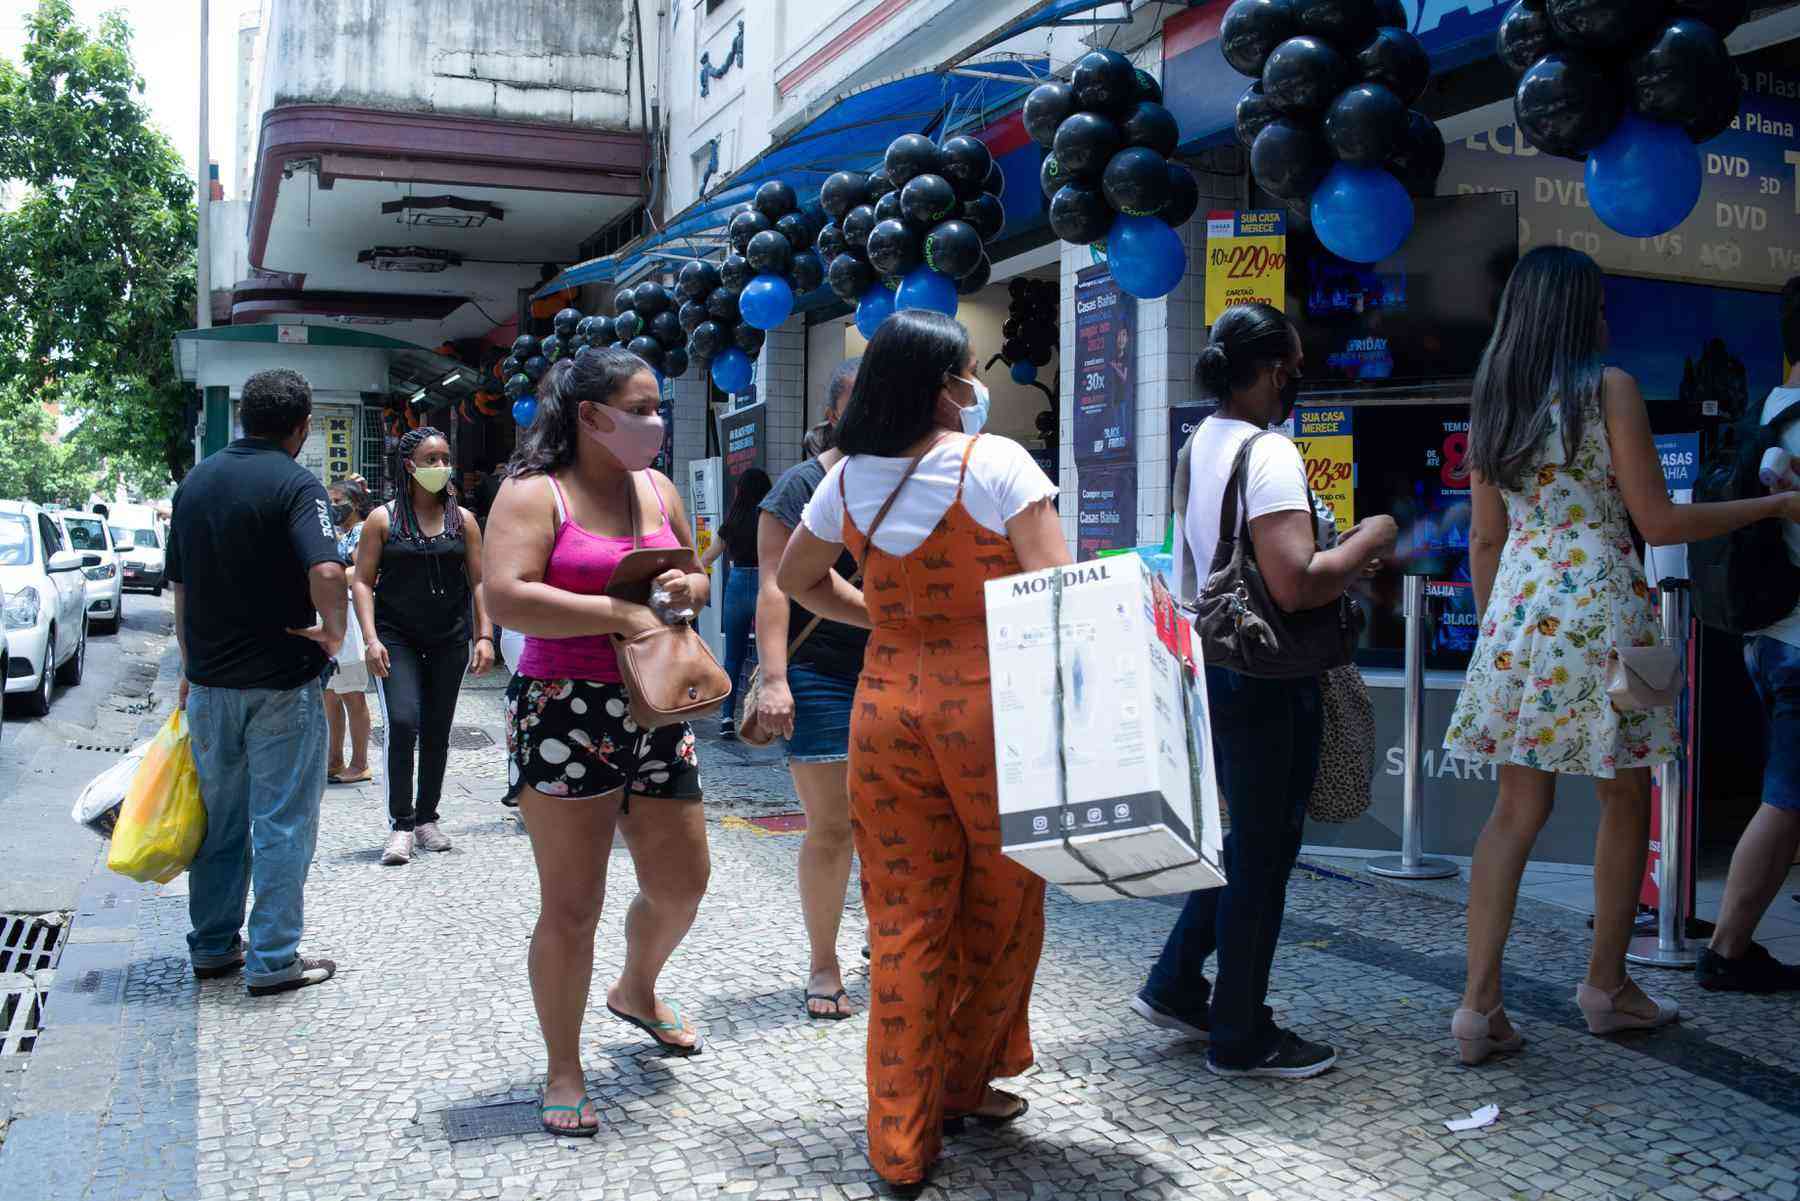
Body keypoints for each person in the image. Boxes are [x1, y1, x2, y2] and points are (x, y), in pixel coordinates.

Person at [1444, 247, 1800, 1061]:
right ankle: (1607, 988)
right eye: (1598, 303)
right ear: (1577, 313)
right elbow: (1659, 522)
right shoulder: (1610, 390)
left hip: (1519, 617)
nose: (1607, 316)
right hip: (1605, 608)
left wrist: (1499, 635)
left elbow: (1485, 538)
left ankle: (1477, 1007)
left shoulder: (1495, 400)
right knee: (1625, 796)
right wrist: (1776, 502)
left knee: (1513, 811)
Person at [777, 311, 1066, 1191]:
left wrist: (888, 616)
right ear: (941, 385)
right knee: (1004, 902)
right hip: (990, 709)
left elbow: (796, 579)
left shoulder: (846, 479)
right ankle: (963, 1081)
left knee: (901, 919)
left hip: (885, 705)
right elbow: (1058, 590)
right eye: (968, 373)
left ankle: (899, 1142)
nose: (975, 388)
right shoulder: (1000, 463)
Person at [1133, 304, 1396, 1080]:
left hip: (1219, 663)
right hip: (1269, 677)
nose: (1299, 381)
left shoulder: (1199, 443)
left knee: (1242, 842)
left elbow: (1207, 566)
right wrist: (1367, 540)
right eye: (1297, 367)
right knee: (1264, 853)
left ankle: (1178, 982)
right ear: (1276, 369)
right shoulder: (1271, 452)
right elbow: (1297, 580)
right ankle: (1241, 1032)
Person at [484, 348, 712, 1139]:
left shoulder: (658, 487)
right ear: (590, 416)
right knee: (572, 905)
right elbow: (507, 594)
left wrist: (690, 587)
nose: (656, 422)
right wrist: (616, 614)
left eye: (658, 408)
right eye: (642, 407)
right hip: (564, 708)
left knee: (683, 881)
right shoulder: (532, 492)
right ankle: (564, 1065)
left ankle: (637, 988)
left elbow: (694, 571)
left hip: (656, 701)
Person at [166, 368, 346, 996]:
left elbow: (181, 589)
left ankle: (213, 947)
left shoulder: (195, 484)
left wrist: (190, 669)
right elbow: (327, 567)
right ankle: (273, 959)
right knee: (282, 823)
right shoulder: (298, 485)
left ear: (244, 416)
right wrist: (334, 630)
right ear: (301, 428)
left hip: (211, 685)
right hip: (280, 686)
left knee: (219, 823)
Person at [754, 358, 866, 1020]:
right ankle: (824, 964)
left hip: (893, 665)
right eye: (861, 399)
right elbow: (774, 583)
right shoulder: (801, 485)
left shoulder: (898, 476)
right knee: (833, 825)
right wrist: (773, 678)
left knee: (890, 822)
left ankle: (888, 944)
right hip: (819, 671)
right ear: (831, 412)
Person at [1699, 277, 1800, 993]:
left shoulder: (1770, 409)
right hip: (1799, 637)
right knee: (1788, 794)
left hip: (1767, 633)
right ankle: (1728, 948)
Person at [352, 427, 495, 865]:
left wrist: (485, 635)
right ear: (409, 466)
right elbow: (360, 581)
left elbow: (479, 581)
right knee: (403, 721)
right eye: (431, 459)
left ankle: (427, 817)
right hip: (396, 639)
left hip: (449, 638)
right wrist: (371, 638)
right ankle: (400, 824)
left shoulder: (463, 520)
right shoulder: (383, 519)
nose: (440, 467)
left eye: (445, 458)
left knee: (437, 728)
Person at [701, 467, 772, 739]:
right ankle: (768, 718)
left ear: (739, 491)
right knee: (772, 654)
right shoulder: (770, 517)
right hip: (765, 587)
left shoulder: (733, 520)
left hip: (737, 585)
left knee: (733, 656)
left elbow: (708, 557)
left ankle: (727, 719)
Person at [324, 478, 375, 785]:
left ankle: (360, 762)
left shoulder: (361, 532)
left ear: (355, 503)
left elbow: (362, 571)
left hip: (350, 620)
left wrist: (329, 576)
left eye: (338, 499)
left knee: (352, 694)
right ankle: (334, 759)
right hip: (334, 616)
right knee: (330, 693)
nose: (333, 506)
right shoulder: (339, 534)